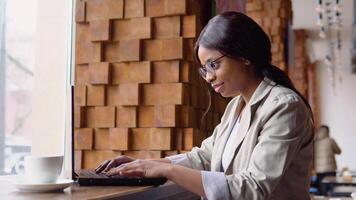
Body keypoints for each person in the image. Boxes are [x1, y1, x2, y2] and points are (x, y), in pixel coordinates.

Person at [95, 12, 314, 200]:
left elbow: (252, 188)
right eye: (205, 69)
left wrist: (167, 170)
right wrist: (146, 164)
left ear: (244, 56)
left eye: (214, 65)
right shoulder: (236, 106)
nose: (208, 77)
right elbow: (205, 157)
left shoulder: (284, 107)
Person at [314, 125, 341, 195]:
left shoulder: (315, 142)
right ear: (328, 132)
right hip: (330, 169)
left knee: (323, 190)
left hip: (319, 170)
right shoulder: (330, 140)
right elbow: (339, 151)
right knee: (332, 190)